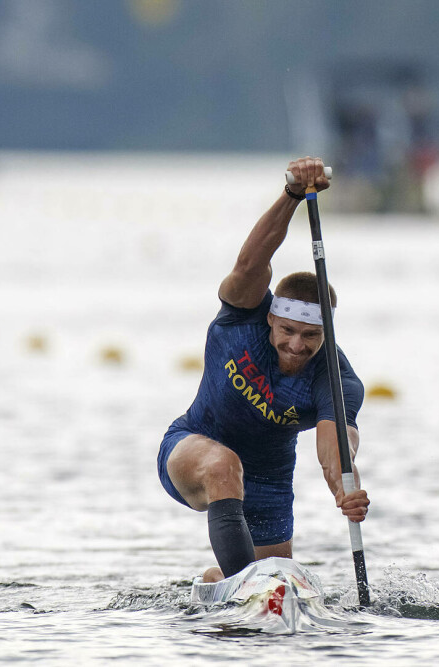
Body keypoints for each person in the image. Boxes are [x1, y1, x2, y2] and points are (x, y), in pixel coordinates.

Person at [157, 157, 370, 582]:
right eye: (288, 330)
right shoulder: (243, 315)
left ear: (326, 334)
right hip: (194, 447)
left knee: (279, 583)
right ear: (271, 317)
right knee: (223, 465)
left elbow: (335, 443)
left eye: (311, 336)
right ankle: (241, 587)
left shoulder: (336, 377)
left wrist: (346, 486)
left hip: (271, 482)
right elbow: (253, 263)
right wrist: (292, 195)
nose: (297, 344)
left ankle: (218, 584)